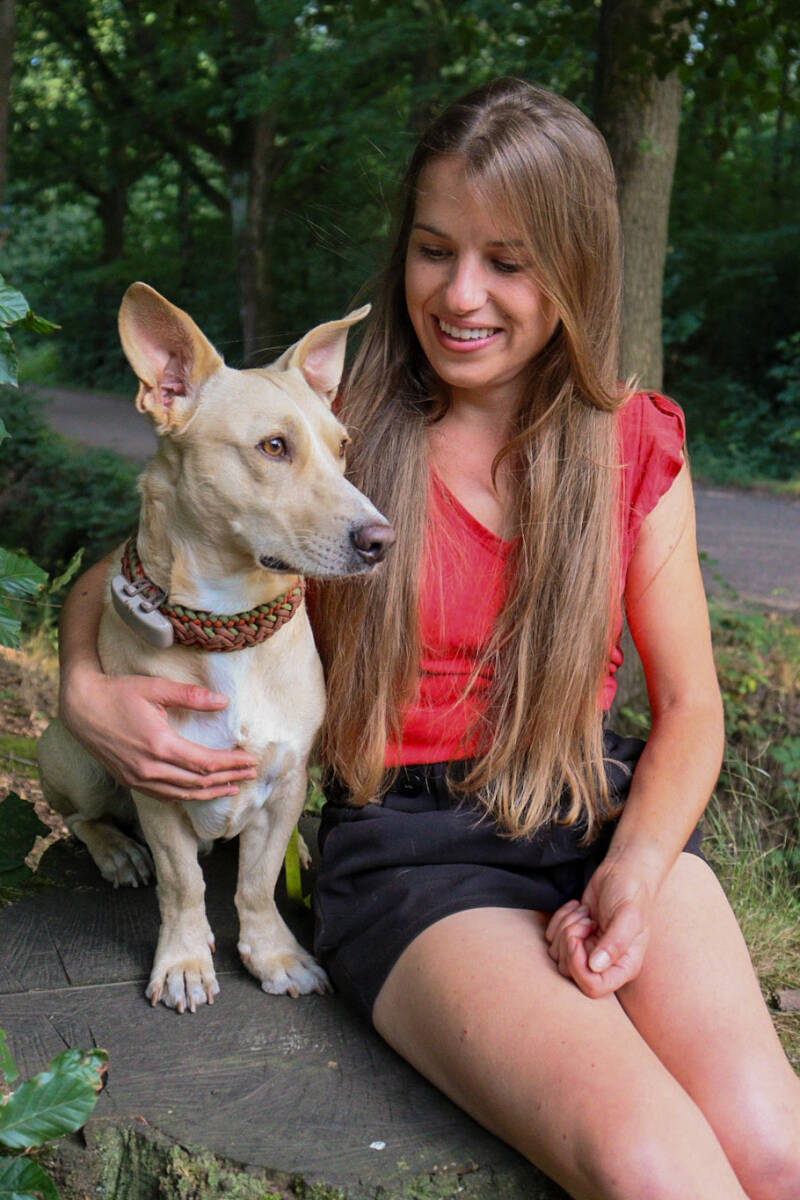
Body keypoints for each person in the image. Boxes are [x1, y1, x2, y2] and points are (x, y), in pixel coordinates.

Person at [58, 78, 800, 1199]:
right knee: (657, 1170)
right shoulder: (329, 426)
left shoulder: (630, 444)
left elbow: (692, 708)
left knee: (774, 1153)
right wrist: (83, 685)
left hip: (587, 808)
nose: (460, 295)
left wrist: (639, 870)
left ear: (576, 264)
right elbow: (143, 560)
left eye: (507, 260)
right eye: (431, 249)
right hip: (410, 851)